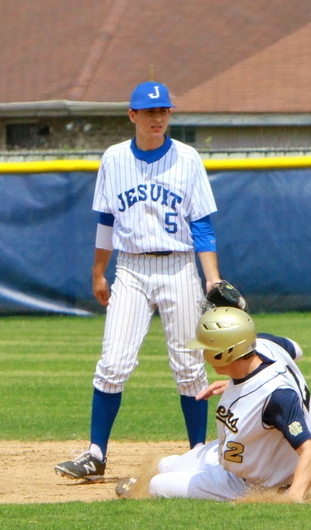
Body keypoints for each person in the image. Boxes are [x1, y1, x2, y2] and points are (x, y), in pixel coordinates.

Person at [55, 81, 223, 481]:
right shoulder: (114, 159)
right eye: (149, 112)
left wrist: (212, 278)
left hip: (178, 265)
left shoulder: (187, 158)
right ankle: (96, 454)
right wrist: (99, 271)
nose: (158, 118)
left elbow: (202, 225)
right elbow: (107, 221)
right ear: (132, 115)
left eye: (164, 111)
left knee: (189, 365)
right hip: (129, 268)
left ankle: (198, 454)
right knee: (113, 363)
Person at [116, 307, 311, 503]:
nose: (203, 352)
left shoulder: (275, 396)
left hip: (252, 482)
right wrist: (235, 382)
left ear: (226, 352)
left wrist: (294, 497)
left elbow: (310, 452)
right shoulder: (263, 344)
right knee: (166, 465)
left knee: (157, 485)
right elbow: (296, 349)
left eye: (208, 347)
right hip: (239, 453)